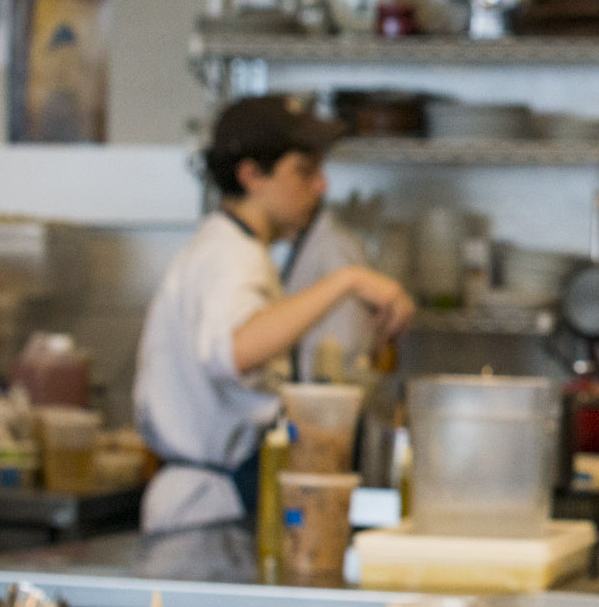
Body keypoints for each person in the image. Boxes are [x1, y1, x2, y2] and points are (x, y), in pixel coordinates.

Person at [132, 97, 412, 532]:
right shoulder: (232, 254)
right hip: (204, 511)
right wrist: (347, 281)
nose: (320, 186)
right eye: (304, 171)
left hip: (210, 499)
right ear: (251, 176)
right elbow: (236, 350)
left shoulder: (231, 247)